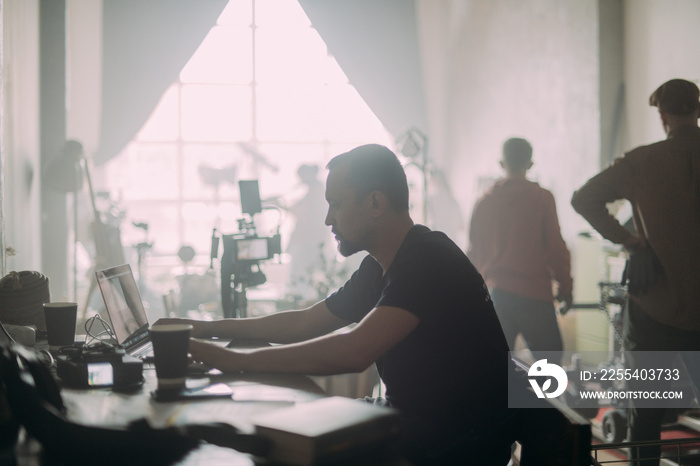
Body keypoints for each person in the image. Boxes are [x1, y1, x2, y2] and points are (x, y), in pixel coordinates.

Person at [161, 144, 518, 464]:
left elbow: (354, 351)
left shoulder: (427, 257)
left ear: (375, 203)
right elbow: (305, 323)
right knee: (277, 432)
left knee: (282, 448)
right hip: (418, 423)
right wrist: (201, 328)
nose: (329, 219)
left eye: (336, 204)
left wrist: (235, 360)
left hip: (460, 444)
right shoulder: (379, 265)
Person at [571, 78, 700, 466]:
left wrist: (631, 240)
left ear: (662, 115)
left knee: (645, 418)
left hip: (656, 307)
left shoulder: (642, 161)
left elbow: (584, 198)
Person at [468, 137, 573, 360]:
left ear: (502, 164)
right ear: (530, 164)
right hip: (535, 295)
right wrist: (566, 287)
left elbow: (473, 254)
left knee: (496, 370)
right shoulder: (542, 198)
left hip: (497, 297)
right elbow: (556, 248)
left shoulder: (483, 203)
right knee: (550, 366)